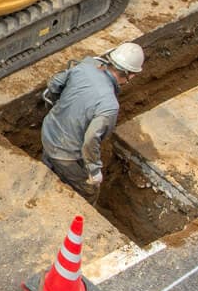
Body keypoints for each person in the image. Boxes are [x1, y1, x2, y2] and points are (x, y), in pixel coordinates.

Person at [41, 42, 143, 200]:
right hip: (65, 154)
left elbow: (55, 84)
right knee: (89, 191)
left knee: (48, 164)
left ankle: (47, 169)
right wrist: (94, 170)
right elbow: (90, 140)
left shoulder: (84, 67)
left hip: (47, 131)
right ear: (131, 74)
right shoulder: (109, 105)